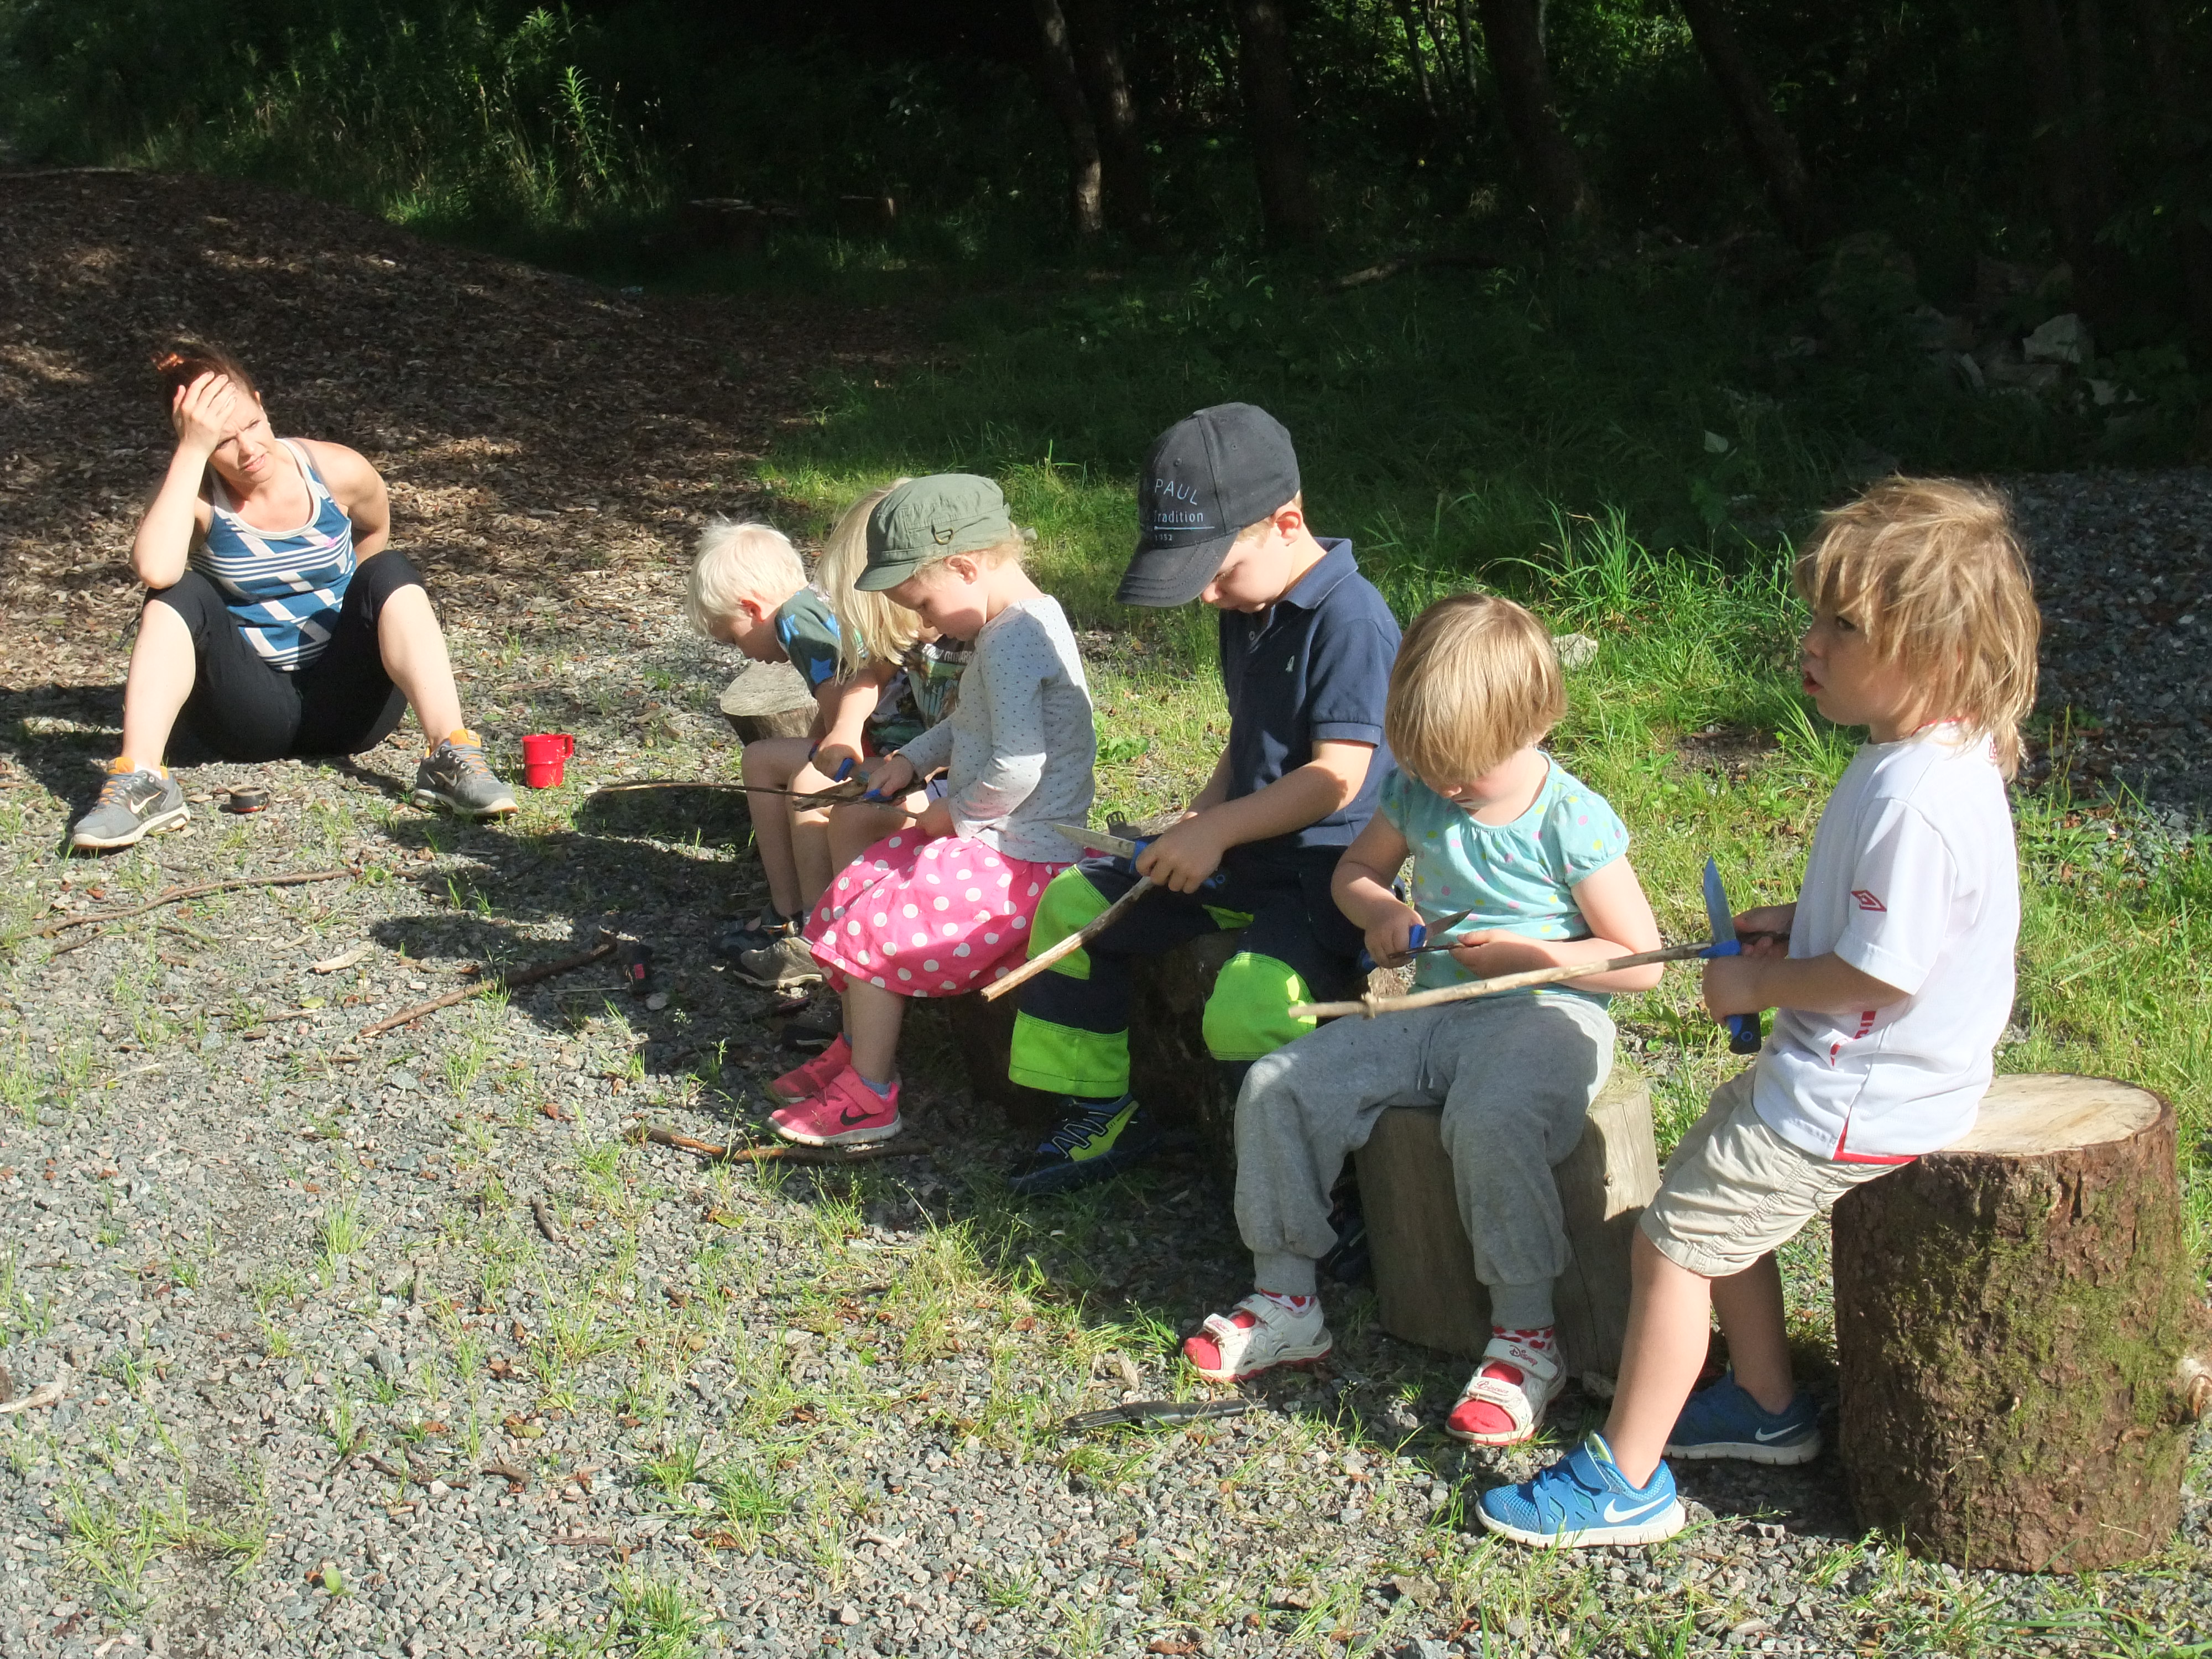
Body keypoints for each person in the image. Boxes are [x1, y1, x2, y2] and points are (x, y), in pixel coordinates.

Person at [1478, 477, 2039, 1548]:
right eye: (1815, 616)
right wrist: (1800, 921)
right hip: (1869, 1075)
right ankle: (1769, 1406)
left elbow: (1882, 974)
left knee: (1672, 1244)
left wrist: (1753, 984)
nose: (1811, 643)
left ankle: (1625, 1479)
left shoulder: (1915, 799)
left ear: (1930, 651)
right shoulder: (1924, 763)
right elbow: (1892, 934)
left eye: (1842, 626)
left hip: (1857, 1092)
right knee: (1707, 1188)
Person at [1181, 593, 1664, 1447]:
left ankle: (1526, 1337)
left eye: (1463, 770)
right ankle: (1287, 1294)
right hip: (1433, 1009)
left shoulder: (1569, 818)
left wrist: (1533, 956)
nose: (1444, 785)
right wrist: (1379, 912)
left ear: (1537, 722)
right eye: (1430, 765)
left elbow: (1641, 961)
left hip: (1548, 1017)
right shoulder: (1420, 791)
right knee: (1280, 1084)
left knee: (1490, 1119)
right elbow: (1357, 872)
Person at [1003, 403, 1399, 1196]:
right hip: (1241, 855)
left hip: (1323, 875)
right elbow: (1250, 736)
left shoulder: (1352, 622)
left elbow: (1336, 778)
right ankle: (1099, 1109)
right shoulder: (1252, 608)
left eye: (1217, 572)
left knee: (1252, 1001)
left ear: (1287, 524)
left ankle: (1311, 1178)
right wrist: (1199, 814)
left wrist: (1218, 829)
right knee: (1075, 905)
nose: (1209, 596)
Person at [70, 345, 514, 850]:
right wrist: (192, 454)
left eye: (253, 424)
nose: (248, 449)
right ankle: (142, 780)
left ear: (262, 403)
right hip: (249, 715)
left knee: (389, 571)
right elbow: (155, 567)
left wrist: (361, 613)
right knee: (175, 592)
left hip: (349, 707)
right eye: (221, 441)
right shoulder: (191, 494)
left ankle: (452, 757)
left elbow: (375, 533)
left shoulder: (336, 470)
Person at [765, 474, 1096, 1146]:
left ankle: (871, 1097)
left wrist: (954, 816)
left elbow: (1016, 767)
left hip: (1024, 855)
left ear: (965, 567)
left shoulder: (1011, 641)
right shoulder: (1014, 623)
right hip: (999, 837)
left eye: (925, 605)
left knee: (875, 926)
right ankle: (858, 1045)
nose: (924, 626)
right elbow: (972, 725)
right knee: (852, 895)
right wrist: (911, 761)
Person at [719, 486, 972, 999]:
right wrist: (841, 733)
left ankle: (817, 937)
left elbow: (969, 744)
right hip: (902, 762)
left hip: (938, 779)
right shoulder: (909, 635)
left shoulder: (971, 640)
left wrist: (864, 751)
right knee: (766, 760)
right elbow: (863, 682)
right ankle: (794, 917)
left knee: (820, 790)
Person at [685, 516, 888, 970]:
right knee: (761, 759)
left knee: (807, 783)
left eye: (733, 638)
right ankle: (785, 909)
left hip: (883, 746)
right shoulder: (811, 604)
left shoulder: (795, 620)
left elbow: (840, 696)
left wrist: (826, 753)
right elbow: (833, 693)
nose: (742, 652)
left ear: (754, 608)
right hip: (871, 737)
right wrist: (821, 738)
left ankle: (816, 935)